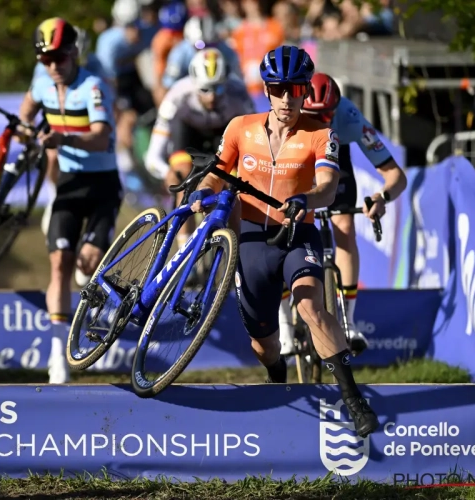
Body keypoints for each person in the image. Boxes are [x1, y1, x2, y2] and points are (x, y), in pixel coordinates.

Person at [188, 46, 379, 437]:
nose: (287, 98)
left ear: (306, 90)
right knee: (266, 347)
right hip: (253, 240)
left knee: (311, 308)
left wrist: (306, 199)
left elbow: (328, 187)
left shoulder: (321, 134)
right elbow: (217, 173)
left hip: (296, 233)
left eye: (295, 89)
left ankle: (354, 401)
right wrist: (201, 193)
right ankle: (277, 375)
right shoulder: (240, 127)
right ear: (267, 89)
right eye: (278, 88)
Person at [18, 18, 123, 384]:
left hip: (102, 186)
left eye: (59, 58)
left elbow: (99, 137)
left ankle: (88, 275)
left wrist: (62, 138)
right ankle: (57, 356)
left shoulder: (92, 86)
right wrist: (24, 129)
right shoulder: (43, 81)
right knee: (60, 264)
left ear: (75, 52)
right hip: (68, 184)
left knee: (87, 264)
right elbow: (26, 110)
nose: (52, 66)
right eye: (45, 59)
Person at [275, 72, 407, 357]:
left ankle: (348, 320)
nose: (321, 123)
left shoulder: (349, 117)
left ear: (336, 110)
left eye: (326, 117)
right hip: (296, 157)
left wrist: (382, 197)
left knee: (344, 226)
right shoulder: (283, 117)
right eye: (314, 116)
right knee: (281, 229)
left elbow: (396, 176)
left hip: (334, 160)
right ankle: (284, 326)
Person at [145, 47, 253, 247]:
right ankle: (184, 245)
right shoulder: (177, 94)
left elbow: (253, 146)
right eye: (205, 89)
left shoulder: (239, 94)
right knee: (182, 175)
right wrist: (166, 172)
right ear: (194, 83)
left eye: (218, 88)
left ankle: (237, 252)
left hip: (224, 132)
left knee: (235, 183)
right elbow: (153, 156)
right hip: (187, 134)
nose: (212, 97)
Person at [95, 0, 156, 174]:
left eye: (138, 25)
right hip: (112, 81)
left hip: (132, 77)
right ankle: (125, 164)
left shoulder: (148, 31)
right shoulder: (109, 43)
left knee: (153, 114)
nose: (135, 32)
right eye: (129, 26)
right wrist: (118, 108)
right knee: (125, 118)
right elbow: (108, 81)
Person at [158, 15, 242, 103]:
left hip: (220, 94)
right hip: (188, 97)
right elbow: (168, 85)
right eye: (200, 45)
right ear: (189, 42)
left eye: (211, 45)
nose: (205, 50)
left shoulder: (226, 50)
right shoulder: (179, 54)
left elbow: (237, 79)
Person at [228, 0, 285, 112]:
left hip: (271, 89)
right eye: (250, 2)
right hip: (247, 90)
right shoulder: (238, 31)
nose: (254, 5)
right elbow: (233, 59)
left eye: (256, 2)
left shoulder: (276, 27)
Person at [150, 1, 188, 106]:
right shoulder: (161, 40)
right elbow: (159, 71)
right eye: (172, 33)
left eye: (178, 32)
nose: (175, 38)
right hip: (171, 76)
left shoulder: (190, 37)